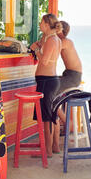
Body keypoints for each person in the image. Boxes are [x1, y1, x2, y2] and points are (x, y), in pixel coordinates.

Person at [30, 14, 62, 157]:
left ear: (48, 24)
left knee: (46, 118)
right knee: (49, 115)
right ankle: (52, 148)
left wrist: (36, 50)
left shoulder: (52, 40)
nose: (40, 24)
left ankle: (47, 151)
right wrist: (38, 45)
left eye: (42, 22)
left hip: (47, 81)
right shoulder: (51, 39)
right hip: (48, 80)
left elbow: (44, 61)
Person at [58, 21, 82, 93]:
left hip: (73, 77)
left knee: (51, 85)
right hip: (68, 74)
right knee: (49, 81)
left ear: (60, 30)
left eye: (56, 27)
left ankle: (53, 104)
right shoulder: (62, 41)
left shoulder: (65, 42)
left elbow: (49, 49)